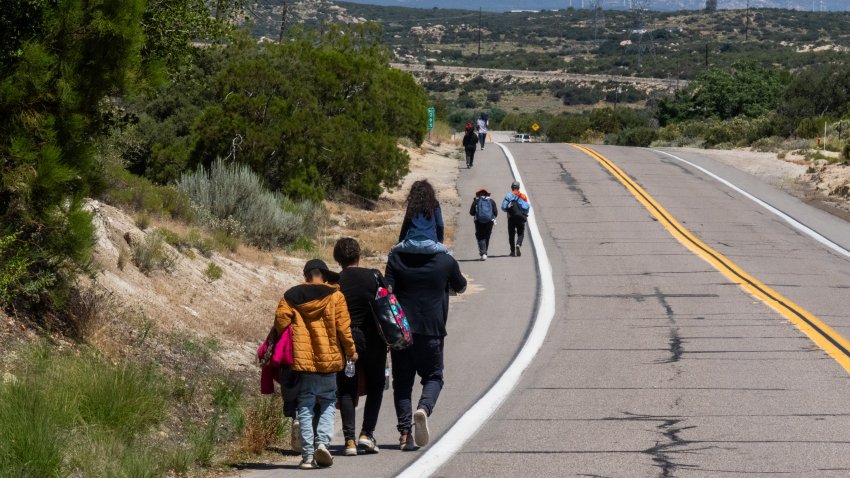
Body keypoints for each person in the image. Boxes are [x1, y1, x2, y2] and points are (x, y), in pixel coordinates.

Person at [273, 259, 357, 470]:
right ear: (324, 275)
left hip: (303, 362)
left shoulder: (291, 296)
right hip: (329, 360)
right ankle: (322, 443)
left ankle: (308, 456)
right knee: (328, 401)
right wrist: (351, 351)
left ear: (306, 275)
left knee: (305, 405)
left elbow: (281, 323)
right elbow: (343, 328)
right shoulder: (336, 296)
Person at [384, 242, 467, 451]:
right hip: (432, 330)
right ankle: (423, 408)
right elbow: (461, 286)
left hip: (402, 331)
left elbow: (386, 291)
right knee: (433, 377)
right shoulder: (445, 261)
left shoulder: (396, 259)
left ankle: (405, 434)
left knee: (402, 382)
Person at [333, 238, 388, 457]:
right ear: (358, 255)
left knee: (347, 389)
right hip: (374, 340)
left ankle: (349, 441)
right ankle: (367, 434)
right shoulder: (374, 276)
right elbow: (387, 305)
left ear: (338, 259)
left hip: (347, 340)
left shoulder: (336, 282)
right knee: (376, 385)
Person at [393, 180, 449, 255]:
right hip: (430, 244)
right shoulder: (434, 204)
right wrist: (439, 242)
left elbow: (405, 225)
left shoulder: (411, 204)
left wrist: (400, 242)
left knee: (392, 252)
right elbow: (440, 224)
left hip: (411, 244)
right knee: (447, 253)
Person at [501, 181, 530, 257]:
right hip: (520, 217)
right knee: (521, 233)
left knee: (511, 235)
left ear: (512, 188)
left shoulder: (509, 195)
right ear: (518, 188)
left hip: (511, 217)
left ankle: (512, 251)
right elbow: (526, 207)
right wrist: (525, 215)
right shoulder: (523, 196)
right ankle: (518, 244)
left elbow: (503, 207)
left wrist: (509, 210)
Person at [469, 188, 497, 260]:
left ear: (479, 194)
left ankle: (483, 253)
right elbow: (496, 213)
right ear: (486, 194)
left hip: (479, 221)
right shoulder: (491, 201)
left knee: (481, 236)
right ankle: (485, 252)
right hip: (489, 221)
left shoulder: (476, 201)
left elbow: (471, 213)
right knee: (487, 236)